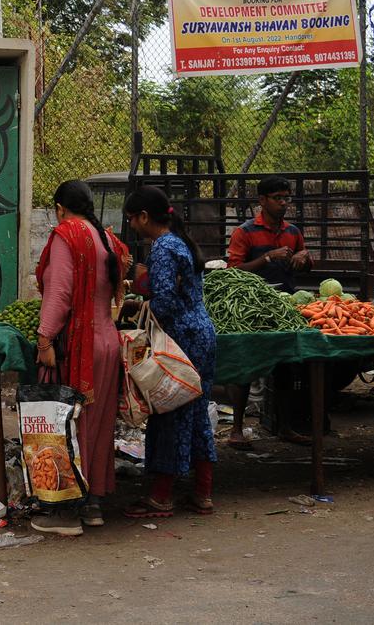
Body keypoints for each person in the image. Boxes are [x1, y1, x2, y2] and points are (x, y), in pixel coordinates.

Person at [32, 180, 131, 535]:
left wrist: (44, 341)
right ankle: (93, 505)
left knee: (69, 423)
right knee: (97, 422)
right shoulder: (105, 237)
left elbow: (59, 294)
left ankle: (66, 513)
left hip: (78, 344)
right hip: (107, 341)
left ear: (60, 207)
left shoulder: (67, 235)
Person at [122, 186, 218, 517]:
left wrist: (137, 313)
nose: (132, 225)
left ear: (145, 217)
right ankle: (203, 493)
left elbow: (163, 302)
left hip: (180, 340)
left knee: (168, 413)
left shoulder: (163, 248)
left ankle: (161, 496)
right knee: (197, 411)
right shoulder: (181, 242)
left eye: (132, 219)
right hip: (202, 334)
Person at [225, 175, 315, 449]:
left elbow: (305, 264)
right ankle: (237, 430)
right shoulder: (246, 232)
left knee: (286, 367)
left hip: (284, 307)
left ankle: (285, 427)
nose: (284, 203)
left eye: (286, 198)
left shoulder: (293, 232)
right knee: (246, 368)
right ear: (262, 201)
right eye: (278, 198)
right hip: (252, 308)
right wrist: (267, 258)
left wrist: (305, 260)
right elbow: (233, 271)